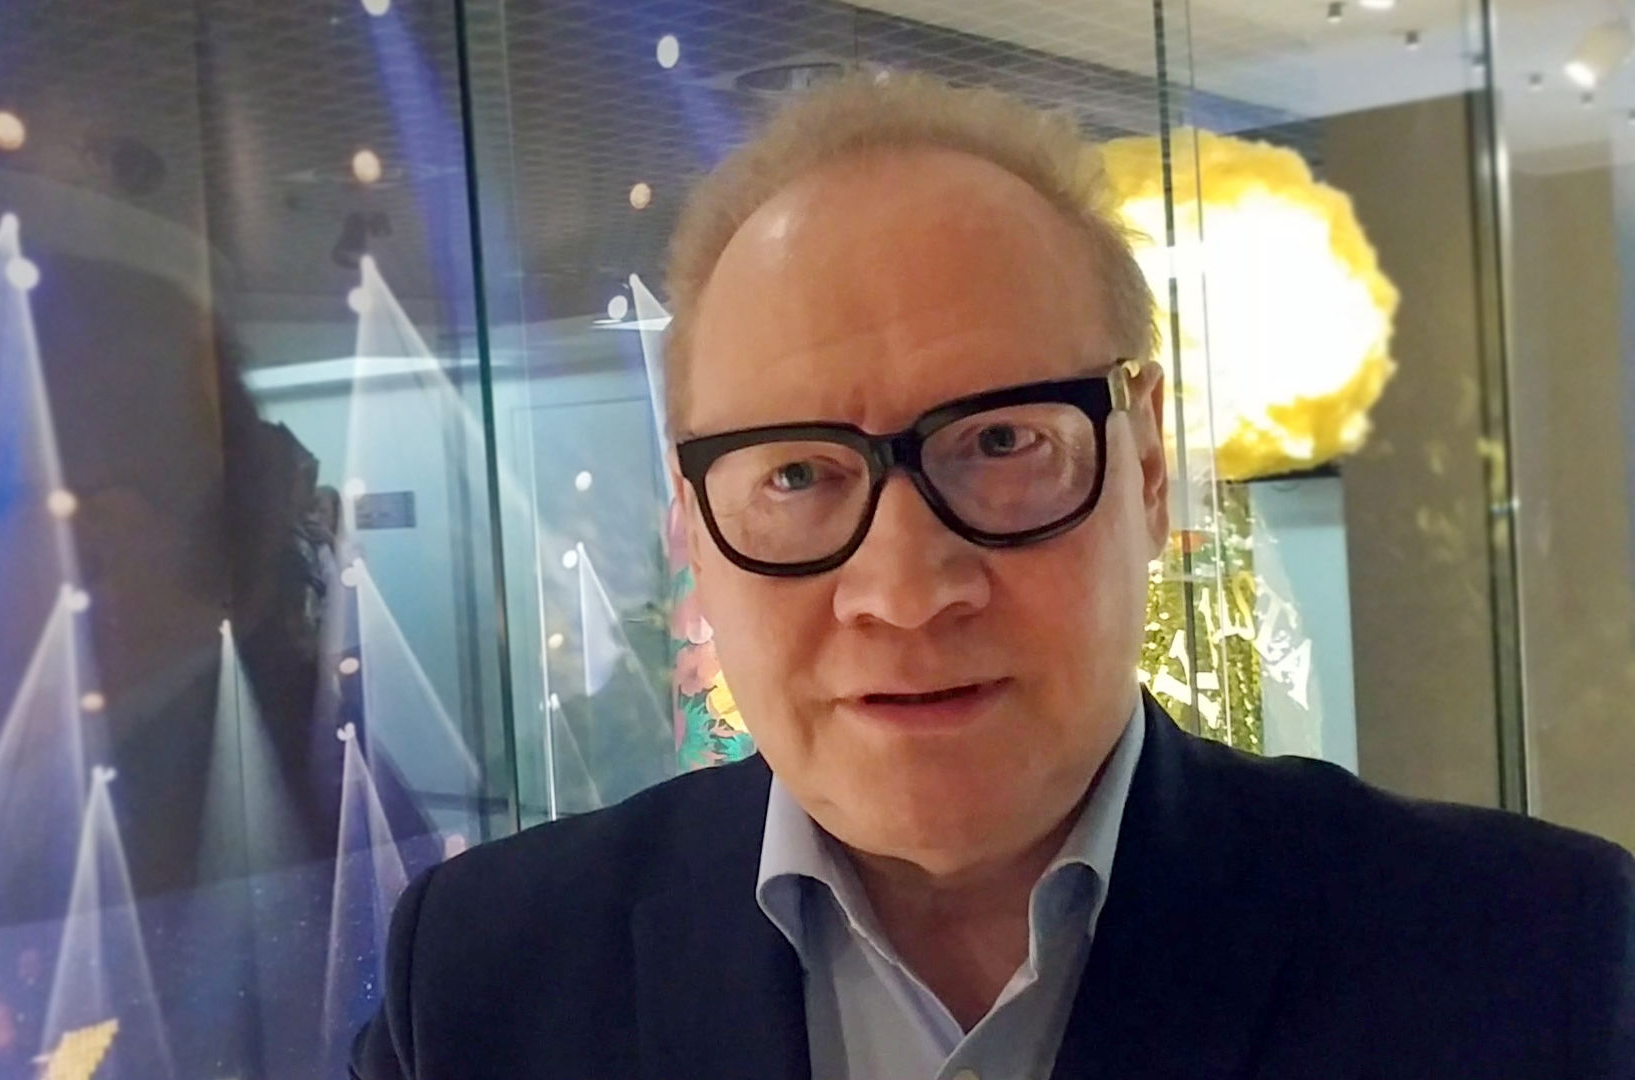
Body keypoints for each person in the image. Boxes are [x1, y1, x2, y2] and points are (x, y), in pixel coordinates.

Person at [350, 74, 1634, 1079]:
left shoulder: (1538, 960)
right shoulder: (484, 976)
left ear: (1147, 468)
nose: (905, 590)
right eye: (795, 474)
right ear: (689, 523)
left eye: (1004, 444)